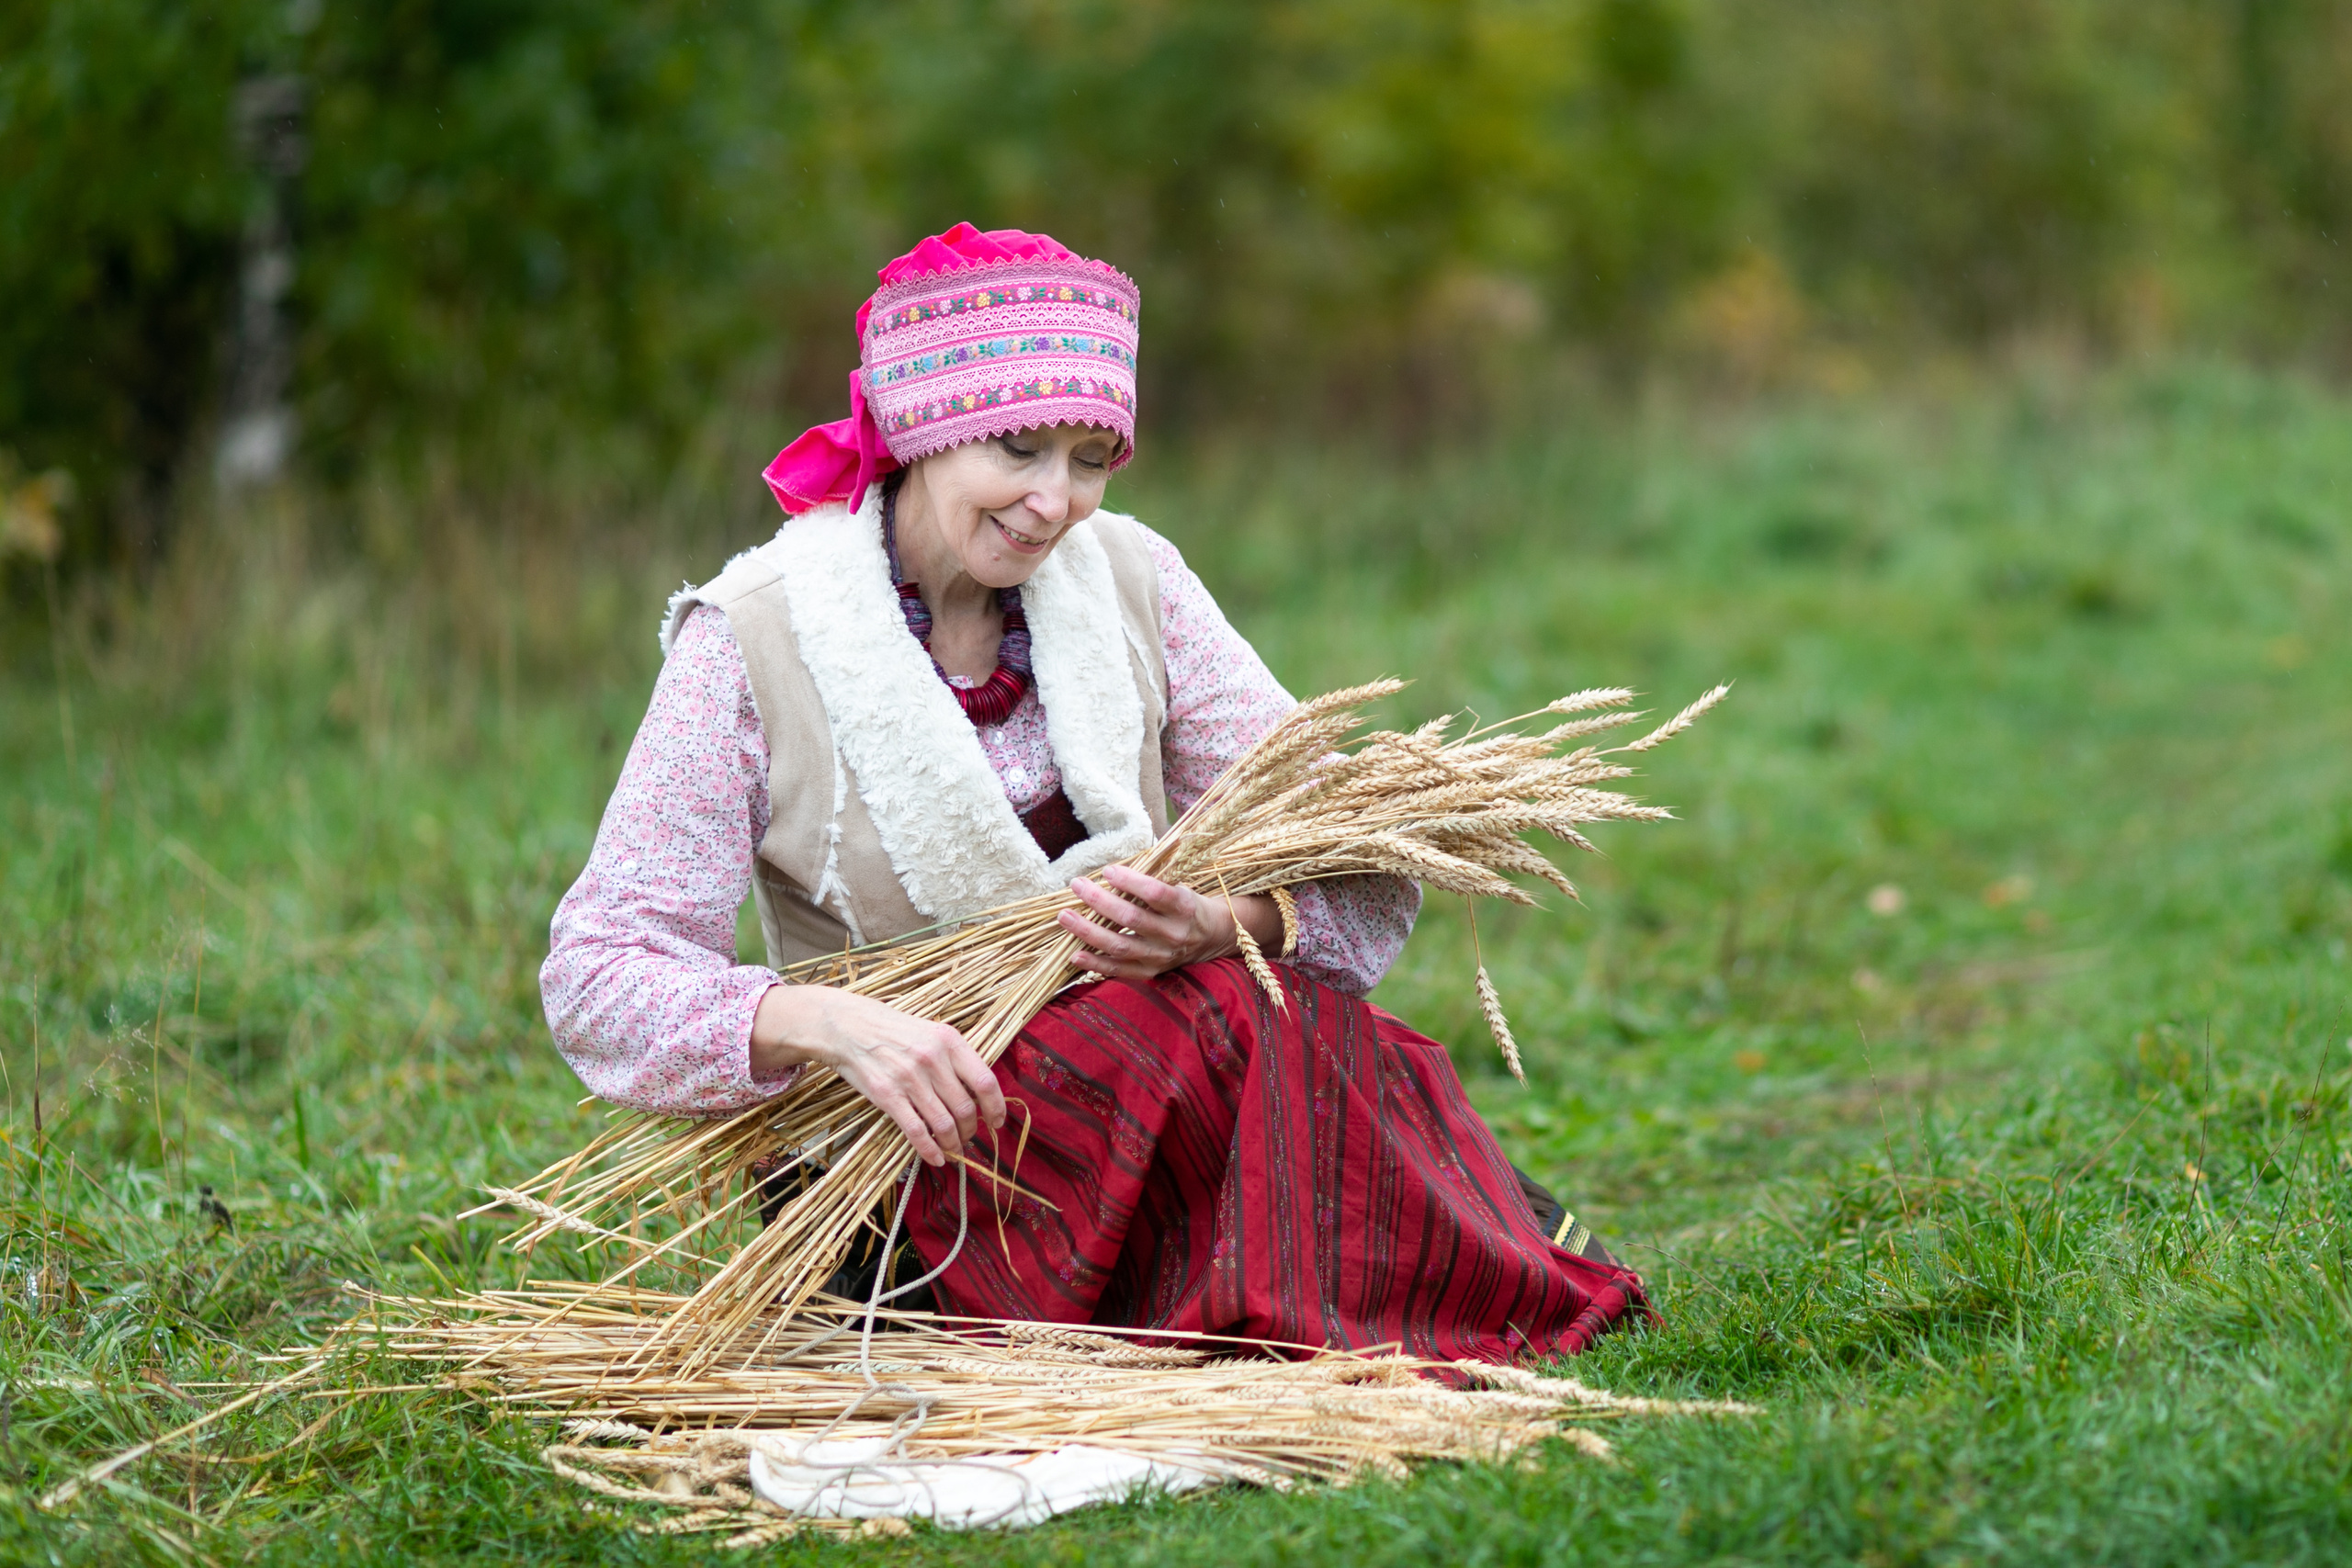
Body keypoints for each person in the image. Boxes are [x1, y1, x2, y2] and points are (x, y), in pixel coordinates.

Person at [541, 223, 1645, 1362]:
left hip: (1163, 1089)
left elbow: (1346, 847)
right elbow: (600, 973)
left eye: (1091, 457)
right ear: (926, 426)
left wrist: (1228, 923)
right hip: (925, 1169)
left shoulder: (1128, 577)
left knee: (1235, 1010)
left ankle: (1377, 1284)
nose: (1055, 502)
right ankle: (1382, 1285)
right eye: (1017, 449)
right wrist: (836, 1027)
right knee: (1201, 1027)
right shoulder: (756, 638)